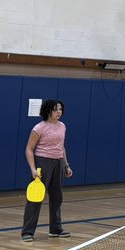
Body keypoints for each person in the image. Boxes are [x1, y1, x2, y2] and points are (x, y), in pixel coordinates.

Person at [21, 99, 72, 242]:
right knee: (36, 198)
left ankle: (56, 229)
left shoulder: (62, 126)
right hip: (42, 163)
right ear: (48, 110)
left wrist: (66, 165)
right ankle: (27, 232)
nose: (59, 112)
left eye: (61, 109)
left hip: (58, 163)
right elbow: (29, 149)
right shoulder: (39, 128)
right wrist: (32, 169)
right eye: (56, 109)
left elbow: (61, 147)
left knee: (57, 197)